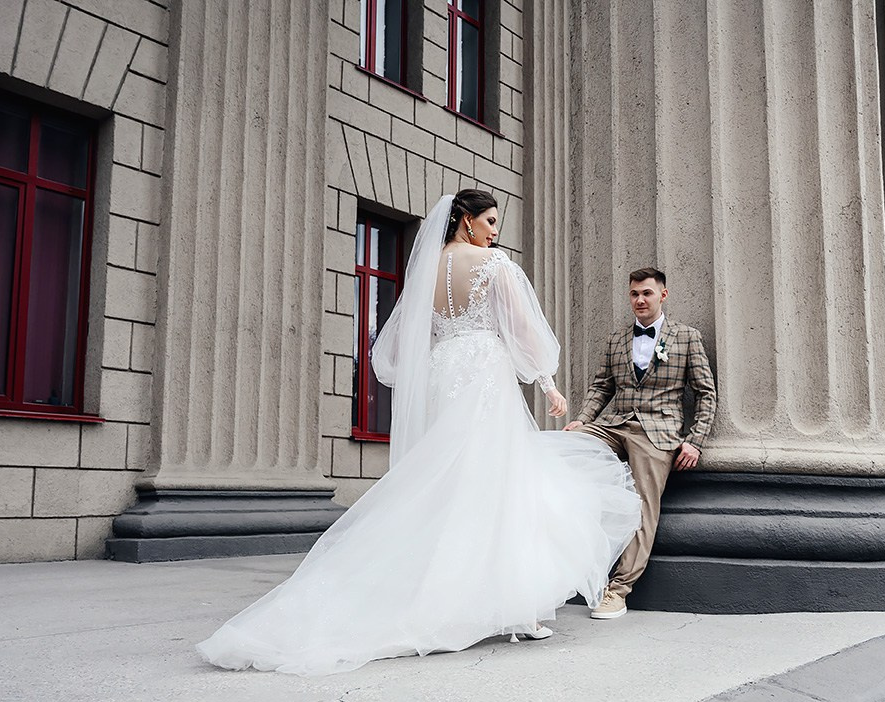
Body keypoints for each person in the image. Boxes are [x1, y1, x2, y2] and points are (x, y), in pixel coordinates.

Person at [196, 191, 641, 676]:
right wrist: (548, 384)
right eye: (490, 220)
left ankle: (490, 600)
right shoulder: (496, 265)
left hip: (444, 373)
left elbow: (409, 339)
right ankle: (517, 607)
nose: (495, 230)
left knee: (450, 485)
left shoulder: (426, 269)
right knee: (496, 482)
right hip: (483, 372)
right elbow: (523, 333)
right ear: (466, 221)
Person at [565, 268, 717, 620]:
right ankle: (562, 562)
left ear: (663, 295)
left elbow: (706, 394)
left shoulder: (686, 337)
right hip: (613, 424)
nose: (639, 300)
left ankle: (617, 591)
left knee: (643, 507)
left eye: (647, 293)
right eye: (634, 294)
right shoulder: (617, 340)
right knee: (565, 447)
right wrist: (583, 421)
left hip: (657, 433)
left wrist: (694, 441)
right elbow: (602, 386)